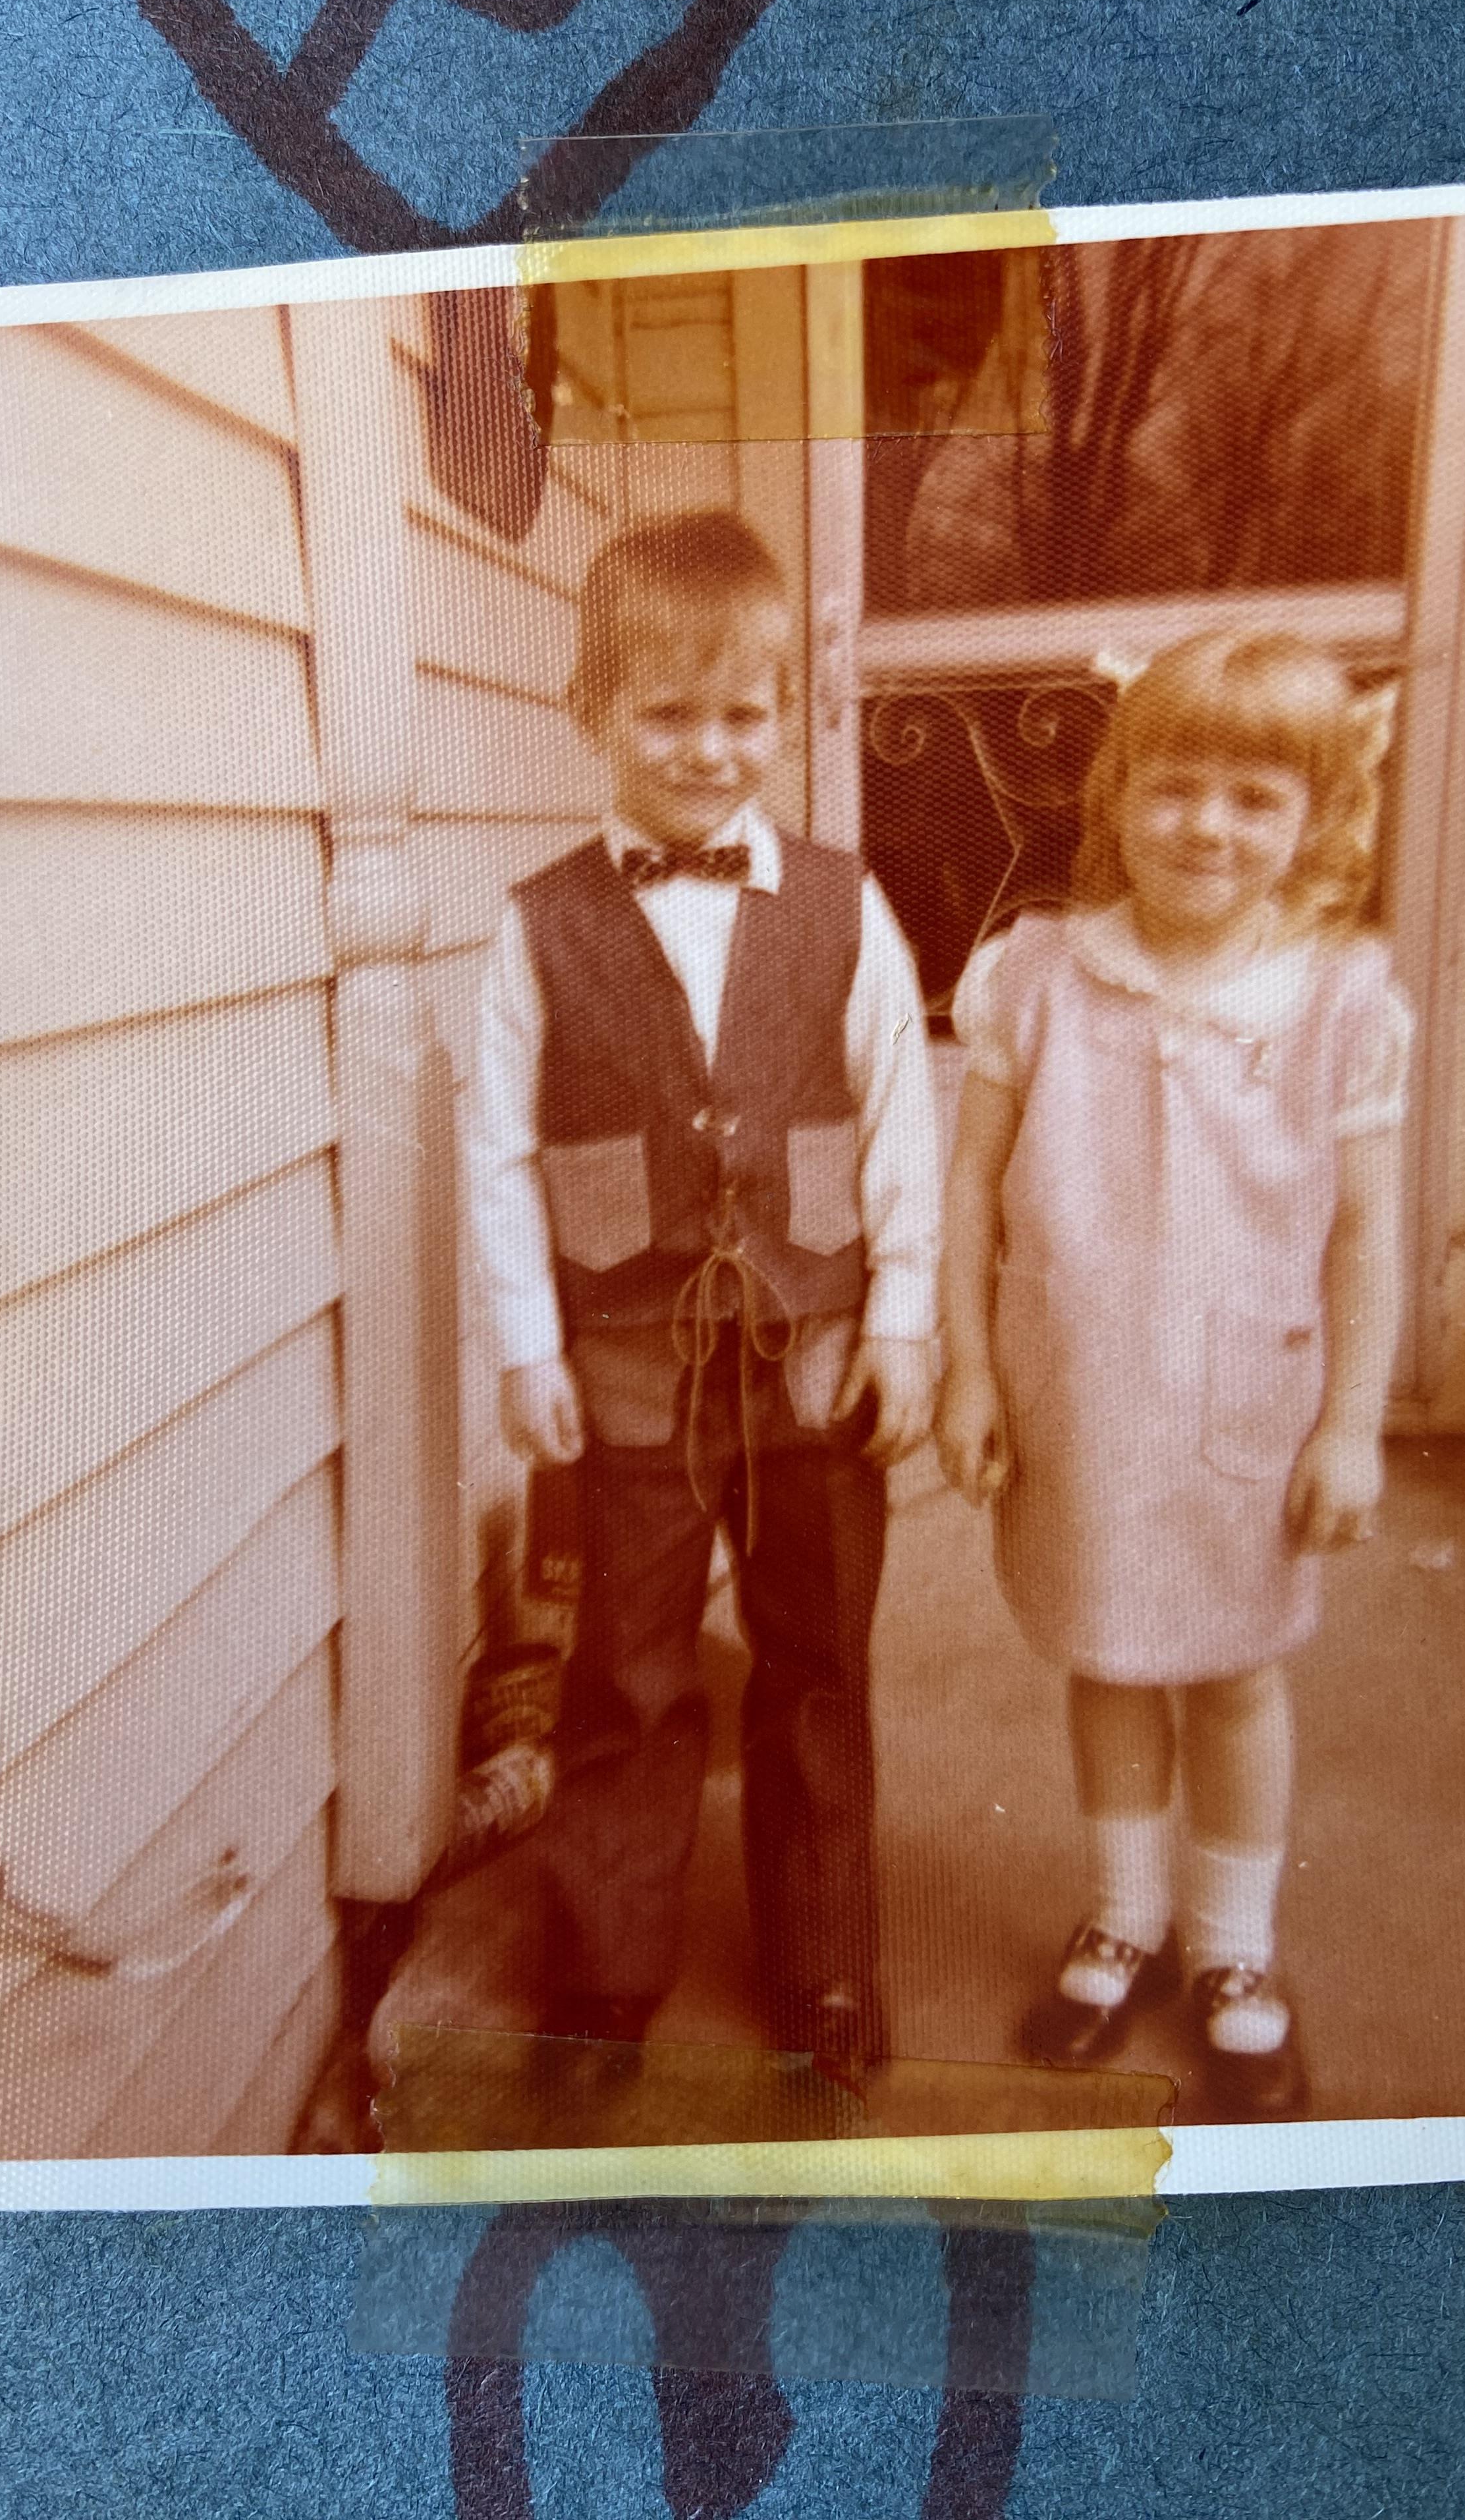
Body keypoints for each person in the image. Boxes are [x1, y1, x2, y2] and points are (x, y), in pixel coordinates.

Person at [466, 507, 939, 2081]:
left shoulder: (843, 904)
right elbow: (492, 1149)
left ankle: (825, 1968)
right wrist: (525, 1344)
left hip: (812, 1354)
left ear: (785, 718)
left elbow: (898, 1123)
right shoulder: (538, 930)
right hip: (622, 1361)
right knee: (630, 1665)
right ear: (591, 714)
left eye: (743, 714)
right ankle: (606, 1970)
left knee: (816, 1663)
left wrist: (906, 1320)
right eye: (667, 713)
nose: (708, 749)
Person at [935, 630, 1409, 2118]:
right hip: (1078, 1389)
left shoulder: (1339, 1003)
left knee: (1234, 1671)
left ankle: (1233, 1950)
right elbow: (971, 1191)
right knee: (1111, 1653)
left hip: (1244, 1409)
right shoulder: (1037, 974)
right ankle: (1126, 1913)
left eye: (1256, 797)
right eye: (1177, 786)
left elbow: (1368, 1237)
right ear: (1118, 794)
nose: (1208, 825)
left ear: (1318, 820)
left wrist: (1350, 1424)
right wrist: (967, 1372)